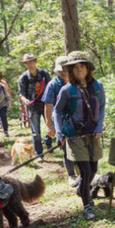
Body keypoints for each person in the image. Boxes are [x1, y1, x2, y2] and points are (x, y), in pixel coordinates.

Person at [53, 51, 106, 221]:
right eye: (75, 67)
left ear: (88, 68)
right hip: (75, 137)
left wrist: (99, 126)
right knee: (85, 171)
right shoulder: (67, 90)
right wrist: (59, 133)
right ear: (70, 70)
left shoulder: (98, 86)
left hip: (93, 136)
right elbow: (57, 111)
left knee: (93, 171)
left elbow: (102, 107)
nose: (79, 70)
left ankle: (81, 190)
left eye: (82, 66)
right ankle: (88, 206)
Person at [44, 55, 80, 188]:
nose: (64, 73)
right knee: (66, 147)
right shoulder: (53, 85)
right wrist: (49, 125)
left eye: (66, 70)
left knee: (79, 145)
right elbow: (48, 105)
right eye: (61, 70)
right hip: (61, 120)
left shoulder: (77, 82)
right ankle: (71, 174)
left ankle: (79, 168)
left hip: (76, 119)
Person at [17, 53, 51, 158]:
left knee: (51, 126)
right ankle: (39, 154)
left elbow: (51, 87)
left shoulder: (44, 73)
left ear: (35, 61)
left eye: (31, 61)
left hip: (46, 105)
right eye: (27, 63)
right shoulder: (23, 78)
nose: (29, 64)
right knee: (36, 132)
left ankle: (48, 142)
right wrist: (24, 100)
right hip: (33, 107)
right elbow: (20, 93)